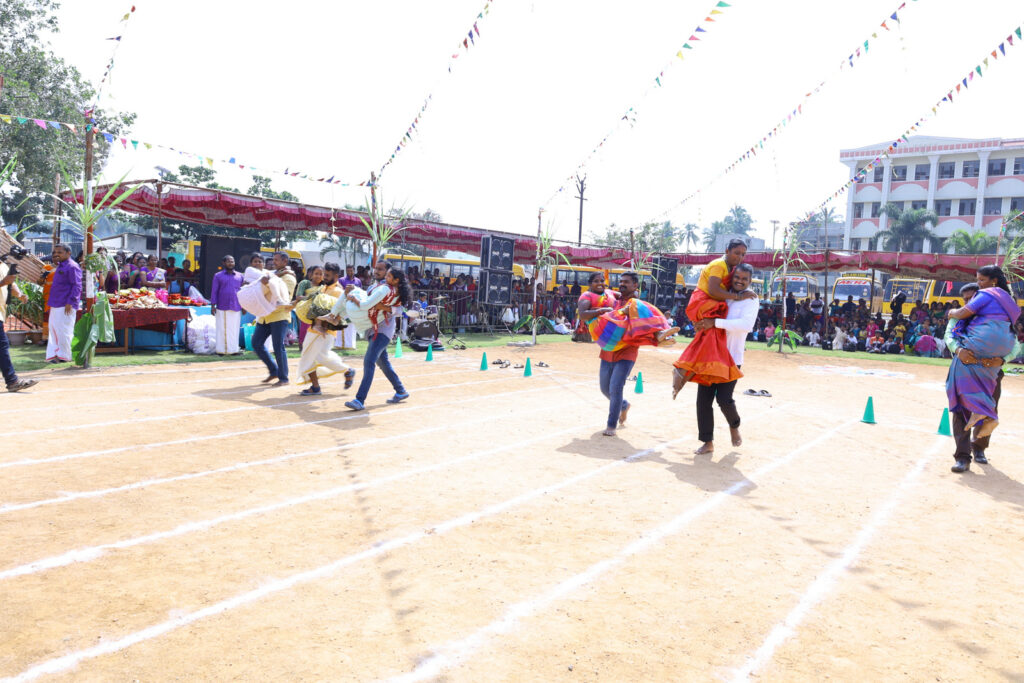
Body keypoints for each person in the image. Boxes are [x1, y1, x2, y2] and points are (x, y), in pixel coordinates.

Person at [945, 266, 1021, 473]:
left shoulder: (999, 314)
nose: (971, 303)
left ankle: (979, 449)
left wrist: (1002, 360)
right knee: (961, 409)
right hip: (965, 365)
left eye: (973, 297)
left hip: (992, 370)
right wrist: (958, 350)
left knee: (989, 408)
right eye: (966, 300)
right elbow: (949, 336)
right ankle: (962, 457)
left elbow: (1014, 344)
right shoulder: (959, 318)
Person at [673, 239, 757, 397]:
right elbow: (712, 290)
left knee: (708, 337)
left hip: (709, 304)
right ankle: (683, 369)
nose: (739, 257)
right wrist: (737, 297)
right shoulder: (719, 265)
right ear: (727, 251)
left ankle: (685, 371)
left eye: (743, 255)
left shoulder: (730, 268)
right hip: (703, 301)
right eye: (736, 253)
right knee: (710, 334)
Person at [690, 263, 759, 454]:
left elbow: (745, 325)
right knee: (703, 400)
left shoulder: (751, 299)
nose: (739, 281)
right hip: (711, 354)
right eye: (737, 277)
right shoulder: (723, 294)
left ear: (750, 281)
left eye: (744, 279)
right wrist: (702, 322)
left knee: (724, 398)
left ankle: (734, 426)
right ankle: (707, 442)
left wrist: (715, 323)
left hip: (732, 357)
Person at [577, 272, 657, 437]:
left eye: (626, 282)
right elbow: (595, 314)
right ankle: (624, 405)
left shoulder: (638, 304)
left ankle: (611, 425)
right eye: (621, 281)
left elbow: (647, 322)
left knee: (615, 387)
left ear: (635, 286)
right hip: (608, 349)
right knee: (604, 388)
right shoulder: (612, 301)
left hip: (627, 350)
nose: (622, 284)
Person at [327, 262, 410, 411]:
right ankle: (401, 390)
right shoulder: (375, 287)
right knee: (383, 362)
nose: (376, 271)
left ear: (388, 272)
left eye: (381, 269)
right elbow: (366, 302)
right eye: (376, 268)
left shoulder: (392, 290)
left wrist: (384, 307)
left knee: (369, 361)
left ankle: (359, 399)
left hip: (383, 332)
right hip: (371, 329)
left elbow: (401, 309)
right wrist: (355, 291)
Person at [295, 262, 355, 395]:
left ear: (336, 275)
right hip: (314, 328)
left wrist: (325, 322)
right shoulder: (322, 288)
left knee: (316, 356)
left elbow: (340, 312)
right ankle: (317, 386)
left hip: (326, 331)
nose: (324, 277)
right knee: (311, 356)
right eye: (324, 274)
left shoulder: (338, 292)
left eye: (327, 275)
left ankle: (345, 371)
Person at [252, 252, 297, 386]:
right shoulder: (272, 274)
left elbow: (284, 298)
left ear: (285, 261)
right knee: (256, 343)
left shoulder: (289, 278)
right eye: (273, 260)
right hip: (265, 315)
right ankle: (274, 370)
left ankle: (284, 378)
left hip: (279, 315)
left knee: (278, 347)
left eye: (276, 260)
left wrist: (266, 284)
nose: (273, 262)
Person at [1, 259, 38, 391]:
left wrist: (20, 295)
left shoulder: (3, 266)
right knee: (2, 346)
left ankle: (12, 381)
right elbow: (5, 282)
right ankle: (12, 381)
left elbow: (11, 284)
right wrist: (3, 282)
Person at [46, 243, 82, 364]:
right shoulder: (61, 266)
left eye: (59, 252)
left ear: (68, 253)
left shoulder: (72, 266)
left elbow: (77, 286)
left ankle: (64, 356)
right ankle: (55, 354)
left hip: (66, 304)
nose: (56, 254)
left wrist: (70, 302)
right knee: (54, 330)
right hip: (56, 303)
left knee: (64, 331)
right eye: (55, 253)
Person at [210, 255, 244, 356]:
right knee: (222, 328)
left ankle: (234, 350)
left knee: (234, 328)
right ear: (223, 263)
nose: (231, 263)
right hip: (222, 305)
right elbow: (214, 291)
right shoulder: (218, 276)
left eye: (232, 261)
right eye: (228, 262)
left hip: (236, 306)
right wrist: (213, 305)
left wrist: (244, 306)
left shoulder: (240, 276)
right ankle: (221, 350)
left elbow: (243, 292)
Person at [294, 265, 324, 345]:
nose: (318, 276)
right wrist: (310, 298)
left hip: (319, 311)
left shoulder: (324, 286)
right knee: (305, 328)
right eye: (316, 273)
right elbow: (298, 297)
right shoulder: (305, 283)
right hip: (306, 310)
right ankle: (302, 344)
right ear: (311, 275)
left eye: (321, 274)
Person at [335, 264, 362, 350]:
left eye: (351, 270)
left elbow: (360, 292)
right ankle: (340, 344)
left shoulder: (358, 281)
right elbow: (339, 292)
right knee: (343, 323)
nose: (349, 272)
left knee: (352, 325)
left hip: (354, 306)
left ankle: (351, 344)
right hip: (344, 305)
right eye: (348, 270)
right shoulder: (341, 280)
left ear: (354, 271)